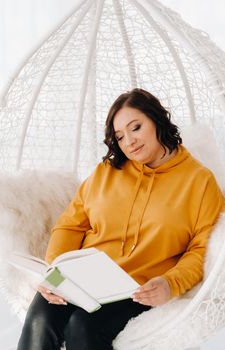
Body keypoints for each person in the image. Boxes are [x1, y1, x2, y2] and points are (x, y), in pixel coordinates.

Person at [17, 88, 224, 350]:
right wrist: (53, 273)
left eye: (136, 127)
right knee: (41, 316)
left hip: (136, 287)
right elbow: (70, 225)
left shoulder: (199, 181)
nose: (130, 142)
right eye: (120, 137)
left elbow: (201, 249)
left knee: (82, 326)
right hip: (80, 274)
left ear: (157, 119)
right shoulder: (107, 171)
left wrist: (171, 283)